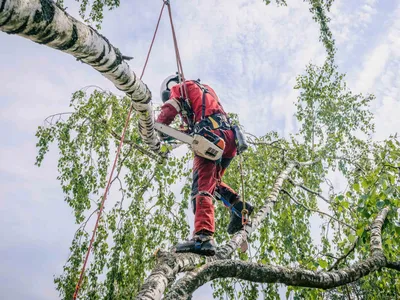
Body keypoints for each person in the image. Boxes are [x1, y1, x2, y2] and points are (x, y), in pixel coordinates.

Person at [157, 75, 253, 256]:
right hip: (229, 138)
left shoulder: (180, 88)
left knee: (201, 187)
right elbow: (197, 122)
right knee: (212, 183)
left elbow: (171, 108)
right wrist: (171, 135)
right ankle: (239, 206)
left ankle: (203, 237)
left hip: (211, 137)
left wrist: (159, 125)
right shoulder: (205, 90)